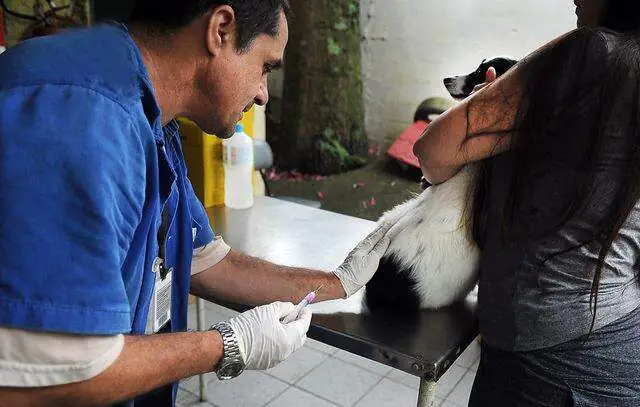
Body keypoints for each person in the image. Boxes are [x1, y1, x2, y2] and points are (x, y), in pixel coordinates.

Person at [0, 1, 391, 406]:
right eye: (266, 67)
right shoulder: (81, 116)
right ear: (220, 30)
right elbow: (53, 374)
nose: (262, 94)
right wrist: (228, 343)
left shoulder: (150, 112)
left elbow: (204, 258)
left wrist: (338, 282)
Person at [414, 0, 640, 405]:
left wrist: (490, 114)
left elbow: (434, 151)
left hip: (547, 367)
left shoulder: (591, 53)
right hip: (618, 350)